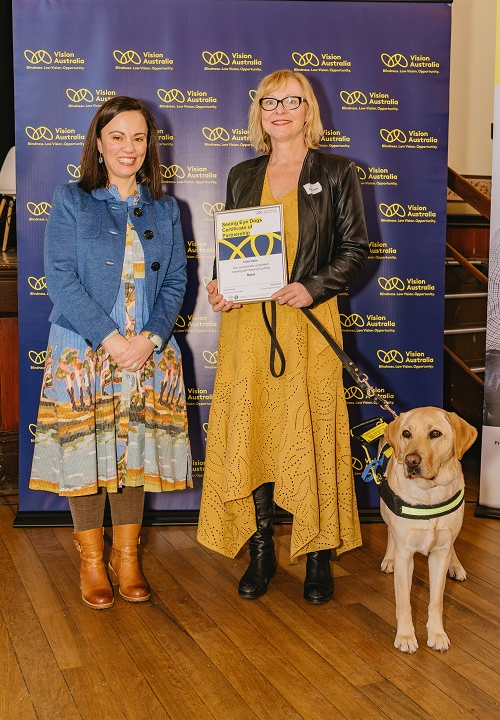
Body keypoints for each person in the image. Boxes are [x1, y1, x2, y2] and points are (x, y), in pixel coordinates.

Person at [197, 70, 369, 604]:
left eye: (291, 100)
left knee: (310, 432)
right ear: (259, 112)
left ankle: (317, 554)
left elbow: (355, 249)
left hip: (309, 324)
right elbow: (236, 253)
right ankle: (263, 550)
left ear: (307, 110)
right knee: (256, 433)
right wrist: (221, 288)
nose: (279, 109)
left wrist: (313, 287)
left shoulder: (338, 173)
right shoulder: (242, 174)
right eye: (269, 101)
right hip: (248, 328)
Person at [30, 96, 192, 609]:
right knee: (86, 451)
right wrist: (110, 339)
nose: (129, 147)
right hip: (84, 348)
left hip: (147, 350)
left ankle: (128, 558)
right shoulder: (70, 199)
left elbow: (177, 284)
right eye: (117, 136)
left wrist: (148, 339)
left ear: (150, 146)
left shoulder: (166, 208)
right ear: (98, 143)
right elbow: (60, 277)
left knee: (133, 454)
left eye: (139, 138)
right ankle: (92, 561)